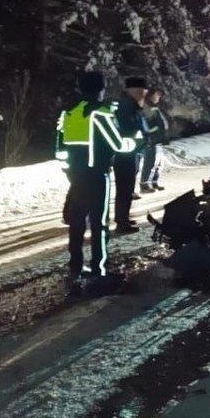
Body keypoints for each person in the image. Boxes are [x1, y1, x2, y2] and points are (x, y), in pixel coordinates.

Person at [56, 71, 136, 290]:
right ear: (100, 89)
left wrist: (70, 171)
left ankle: (75, 264)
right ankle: (99, 269)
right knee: (100, 224)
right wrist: (135, 142)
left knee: (77, 221)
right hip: (97, 174)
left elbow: (60, 149)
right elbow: (118, 144)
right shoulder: (100, 113)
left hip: (76, 176)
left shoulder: (68, 113)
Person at [111, 77, 147, 234]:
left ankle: (123, 218)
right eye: (141, 91)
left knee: (127, 189)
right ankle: (121, 222)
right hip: (125, 154)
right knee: (124, 189)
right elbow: (128, 128)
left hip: (130, 152)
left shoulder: (130, 104)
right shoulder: (127, 106)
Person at [140, 89, 170, 193]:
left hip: (158, 139)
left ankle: (153, 181)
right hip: (152, 139)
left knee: (158, 163)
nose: (159, 97)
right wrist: (154, 132)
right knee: (150, 162)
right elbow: (148, 123)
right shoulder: (148, 106)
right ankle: (145, 184)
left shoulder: (154, 106)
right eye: (157, 95)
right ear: (151, 95)